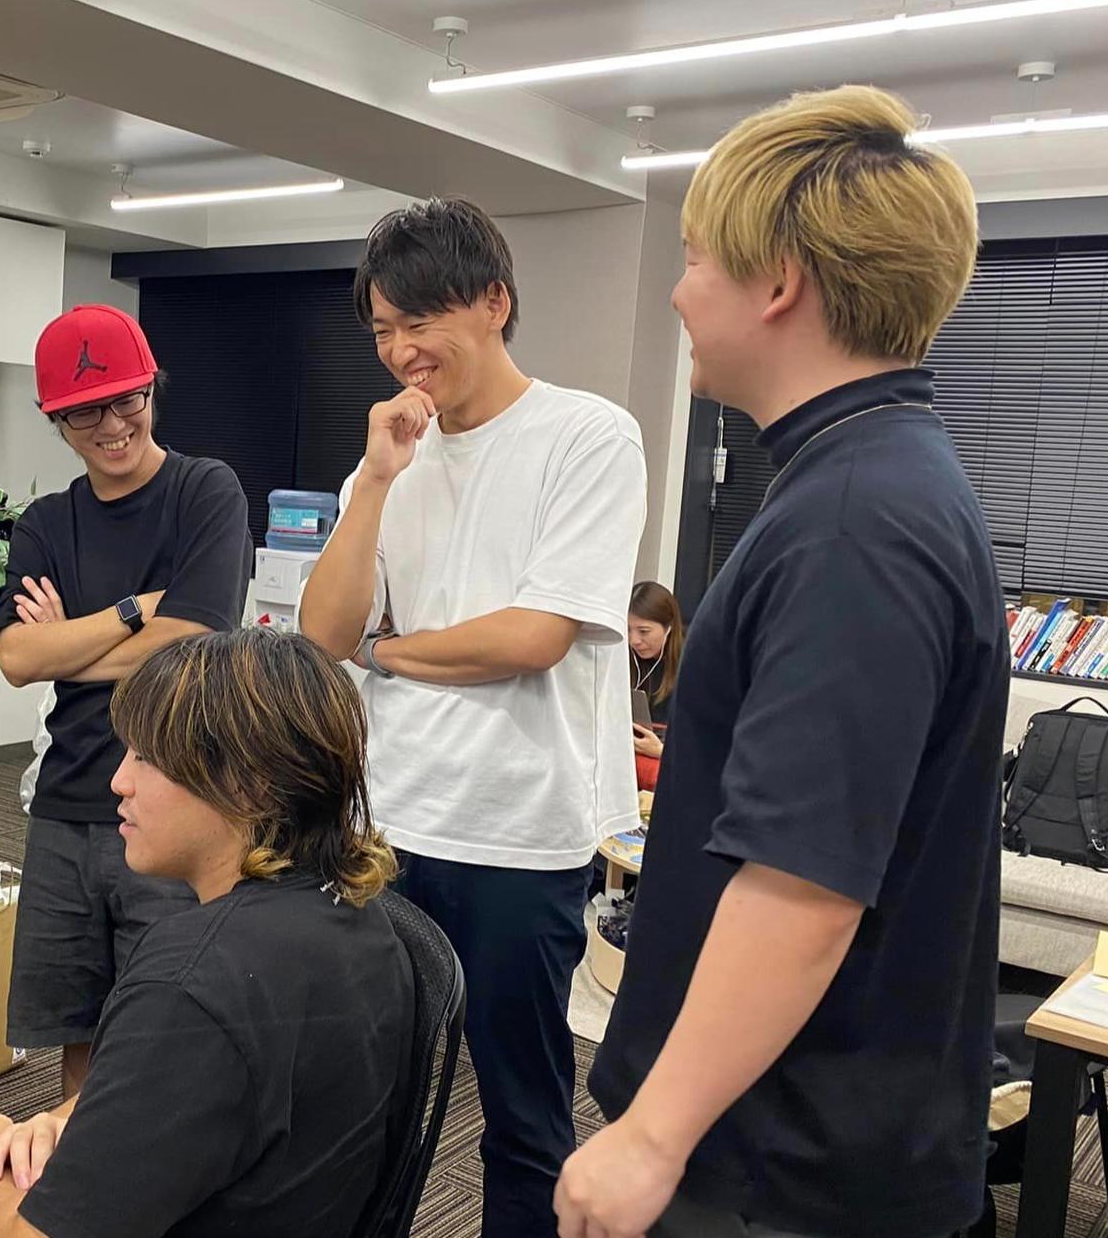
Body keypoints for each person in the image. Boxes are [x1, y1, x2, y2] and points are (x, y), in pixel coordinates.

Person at [564, 85, 1007, 1238]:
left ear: (777, 283)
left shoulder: (855, 520)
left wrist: (653, 1133)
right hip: (788, 1137)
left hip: (779, 1165)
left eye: (692, 259)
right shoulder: (867, 476)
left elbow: (803, 882)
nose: (675, 293)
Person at [299, 196, 647, 1237]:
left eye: (420, 320)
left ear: (494, 302)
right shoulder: (389, 461)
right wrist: (374, 479)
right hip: (386, 821)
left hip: (516, 833)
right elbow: (324, 630)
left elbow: (533, 635)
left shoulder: (587, 434)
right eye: (382, 329)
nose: (400, 349)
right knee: (360, 1101)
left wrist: (388, 653)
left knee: (521, 1114)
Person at [0, 628, 414, 1238]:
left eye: (147, 758)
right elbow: (217, 1084)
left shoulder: (192, 985)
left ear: (247, 784)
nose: (119, 782)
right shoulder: (360, 919)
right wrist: (79, 1118)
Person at [0, 304, 253, 1098]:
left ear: (151, 391)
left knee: (170, 1029)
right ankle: (82, 1164)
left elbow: (195, 643)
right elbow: (15, 657)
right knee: (77, 1031)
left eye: (126, 400)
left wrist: (68, 647)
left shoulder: (206, 491)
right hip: (66, 807)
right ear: (57, 421)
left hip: (181, 803)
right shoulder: (46, 523)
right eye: (84, 413)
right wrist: (136, 610)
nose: (111, 426)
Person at [628, 581, 685, 790]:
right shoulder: (623, 658)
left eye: (644, 631)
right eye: (628, 630)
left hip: (669, 763)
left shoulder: (693, 664)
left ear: (669, 627)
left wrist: (661, 750)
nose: (634, 640)